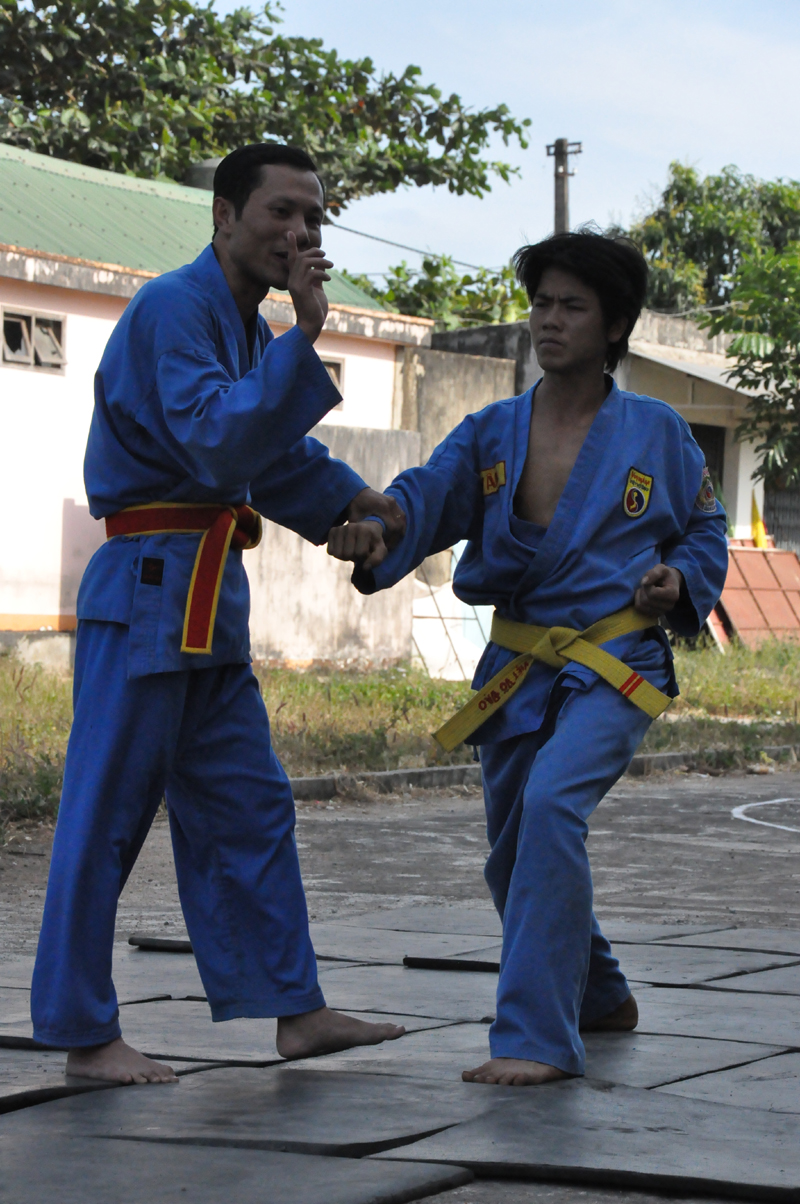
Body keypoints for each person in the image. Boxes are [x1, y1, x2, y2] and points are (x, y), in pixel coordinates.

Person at [31, 143, 407, 1085]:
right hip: (150, 590)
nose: (299, 233)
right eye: (281, 212)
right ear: (224, 218)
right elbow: (214, 442)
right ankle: (83, 1033)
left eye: (313, 218)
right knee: (107, 816)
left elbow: (267, 462)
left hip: (205, 600)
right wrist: (306, 342)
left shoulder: (240, 326)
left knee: (249, 808)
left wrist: (351, 503)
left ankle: (294, 1007)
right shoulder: (175, 308)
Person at [327, 230, 729, 1087]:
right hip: (516, 669)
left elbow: (704, 527)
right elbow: (420, 500)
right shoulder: (492, 430)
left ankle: (536, 1038)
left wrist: (680, 578)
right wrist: (376, 533)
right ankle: (602, 994)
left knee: (550, 812)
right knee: (513, 854)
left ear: (614, 324)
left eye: (571, 306)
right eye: (541, 303)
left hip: (615, 664)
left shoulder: (657, 432)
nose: (549, 320)